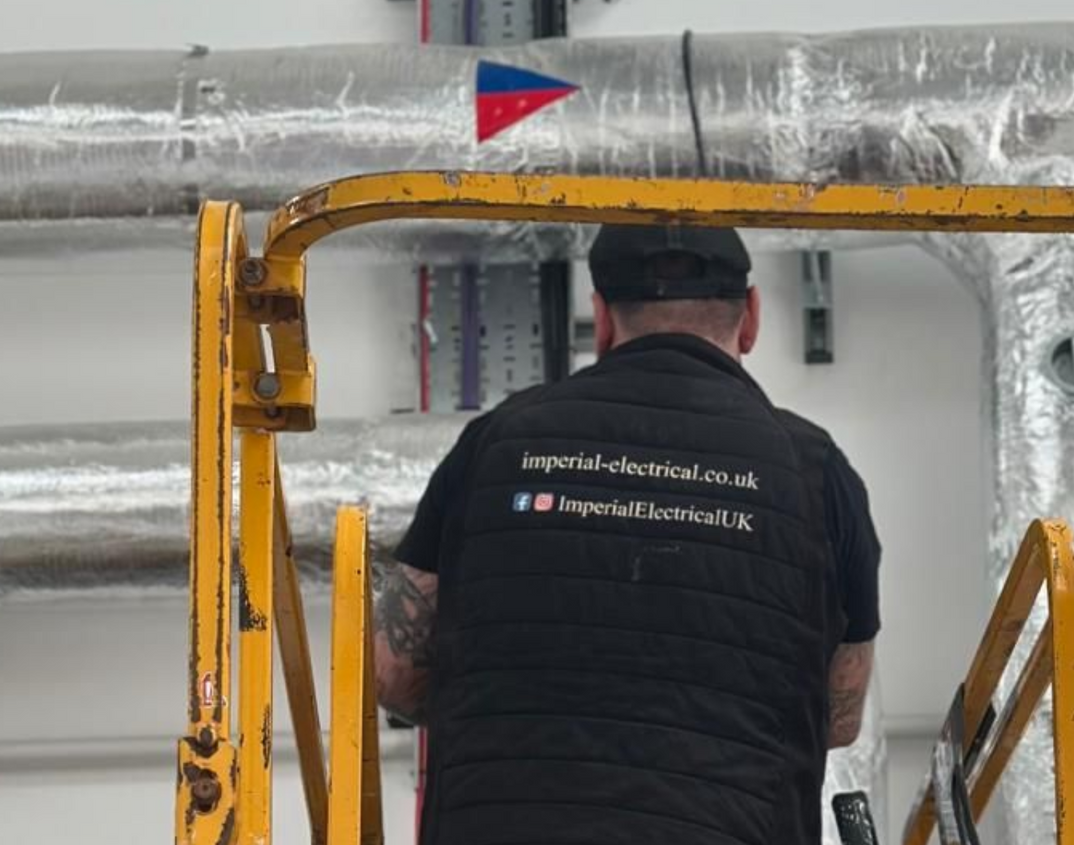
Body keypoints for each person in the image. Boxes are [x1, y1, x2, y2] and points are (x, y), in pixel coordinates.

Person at [375, 223, 882, 845]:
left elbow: (393, 672)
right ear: (751, 318)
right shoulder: (815, 469)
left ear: (602, 319)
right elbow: (838, 716)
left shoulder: (497, 440)